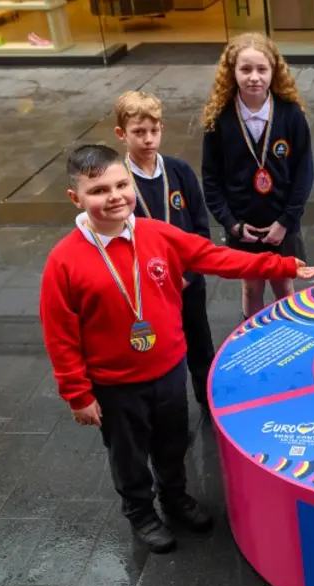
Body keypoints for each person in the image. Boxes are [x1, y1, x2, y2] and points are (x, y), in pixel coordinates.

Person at [40, 144, 314, 554]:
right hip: (116, 385)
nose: (115, 196)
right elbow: (60, 336)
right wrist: (78, 395)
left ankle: (174, 497)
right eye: (99, 190)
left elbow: (217, 258)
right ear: (75, 198)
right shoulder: (64, 262)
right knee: (129, 455)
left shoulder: (158, 235)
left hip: (169, 369)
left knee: (173, 443)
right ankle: (140, 512)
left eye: (122, 184)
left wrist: (280, 265)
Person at [113, 90, 216, 419]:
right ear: (121, 134)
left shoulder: (180, 171)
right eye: (138, 133)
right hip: (149, 291)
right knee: (159, 355)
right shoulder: (119, 183)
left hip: (188, 283)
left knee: (200, 343)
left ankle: (209, 401)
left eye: (153, 131)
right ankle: (170, 418)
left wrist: (187, 275)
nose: (147, 140)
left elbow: (200, 228)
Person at [201, 32, 313, 319]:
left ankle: (289, 335)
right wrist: (232, 225)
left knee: (284, 285)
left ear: (274, 71)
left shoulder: (291, 115)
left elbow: (304, 174)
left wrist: (285, 222)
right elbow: (211, 179)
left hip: (282, 225)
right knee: (251, 288)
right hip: (243, 226)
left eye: (262, 69)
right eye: (245, 69)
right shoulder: (220, 120)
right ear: (232, 72)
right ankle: (251, 341)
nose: (254, 77)